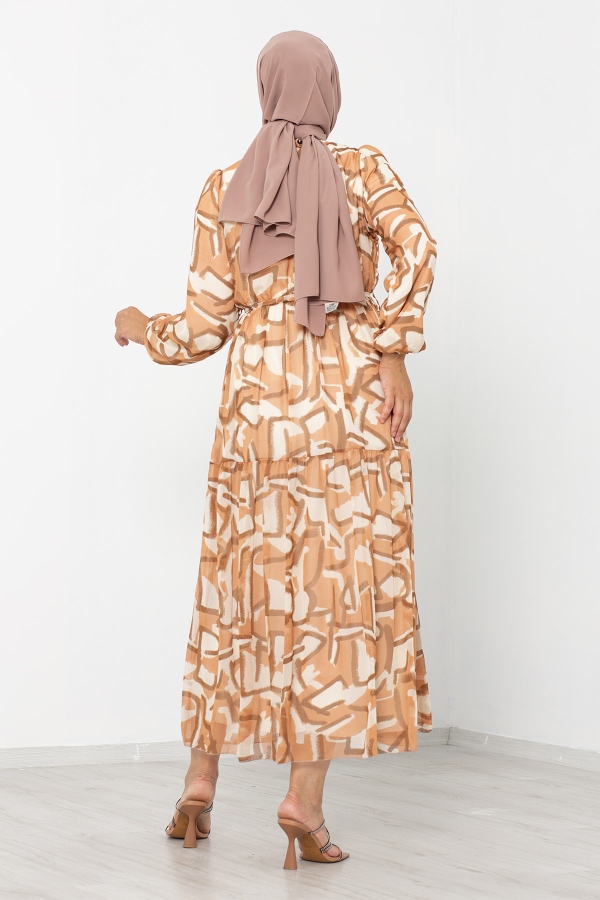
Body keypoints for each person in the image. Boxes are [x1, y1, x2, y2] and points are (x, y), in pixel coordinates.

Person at [114, 29, 437, 870]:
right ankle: (304, 804)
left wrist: (140, 328)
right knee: (332, 602)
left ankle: (199, 783)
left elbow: (201, 328)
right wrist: (393, 350)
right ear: (329, 91)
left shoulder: (226, 187)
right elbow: (417, 248)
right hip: (348, 410)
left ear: (264, 90)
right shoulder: (363, 171)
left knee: (238, 588)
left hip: (256, 419)